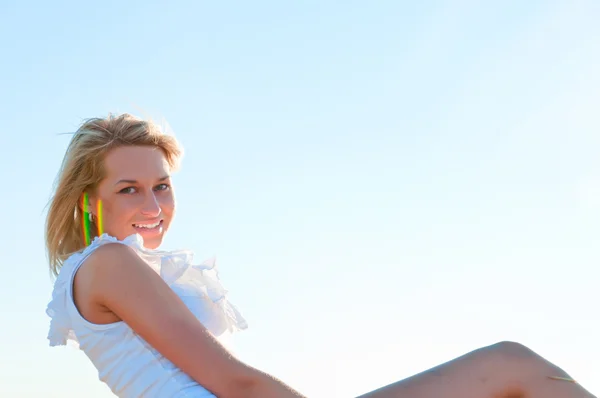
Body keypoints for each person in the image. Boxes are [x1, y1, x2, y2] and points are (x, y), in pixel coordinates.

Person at [45, 113, 596, 398]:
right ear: (89, 200)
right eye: (128, 189)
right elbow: (234, 383)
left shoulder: (107, 270)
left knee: (510, 373)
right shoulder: (109, 263)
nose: (153, 204)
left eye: (161, 185)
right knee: (512, 364)